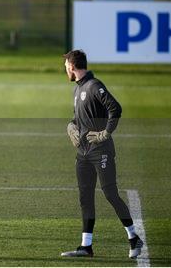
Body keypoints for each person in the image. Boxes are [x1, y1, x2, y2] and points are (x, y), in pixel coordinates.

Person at [61, 49, 143, 259]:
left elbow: (115, 109)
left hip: (101, 151)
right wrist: (70, 126)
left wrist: (105, 134)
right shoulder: (77, 90)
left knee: (110, 194)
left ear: (72, 65)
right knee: (85, 198)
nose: (65, 70)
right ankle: (86, 246)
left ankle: (133, 237)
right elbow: (78, 119)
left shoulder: (95, 86)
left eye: (65, 66)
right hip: (83, 153)